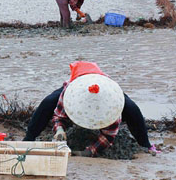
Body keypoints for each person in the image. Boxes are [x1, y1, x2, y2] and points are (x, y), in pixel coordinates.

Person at [23, 61, 159, 156]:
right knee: (48, 102)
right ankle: (28, 139)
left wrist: (89, 152)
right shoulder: (70, 93)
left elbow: (109, 134)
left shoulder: (113, 103)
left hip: (103, 87)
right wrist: (59, 129)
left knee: (132, 108)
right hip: (81, 81)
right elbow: (59, 116)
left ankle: (146, 144)